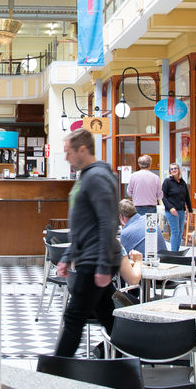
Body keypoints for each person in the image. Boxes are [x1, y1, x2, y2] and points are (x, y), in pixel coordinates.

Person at [53, 129, 119, 358]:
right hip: (90, 257)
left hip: (94, 261)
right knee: (108, 316)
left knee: (73, 318)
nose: (66, 158)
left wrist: (102, 266)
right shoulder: (88, 176)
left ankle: (54, 374)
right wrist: (68, 255)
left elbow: (107, 222)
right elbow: (82, 224)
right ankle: (130, 361)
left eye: (68, 152)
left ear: (82, 150)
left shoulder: (97, 176)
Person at [162, 164, 190, 251]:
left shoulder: (182, 182)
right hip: (171, 211)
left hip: (181, 210)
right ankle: (174, 252)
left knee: (180, 232)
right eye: (171, 169)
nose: (173, 170)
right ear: (170, 171)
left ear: (179, 170)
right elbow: (163, 196)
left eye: (175, 168)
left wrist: (190, 210)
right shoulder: (167, 181)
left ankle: (177, 252)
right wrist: (170, 208)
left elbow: (187, 197)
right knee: (175, 231)